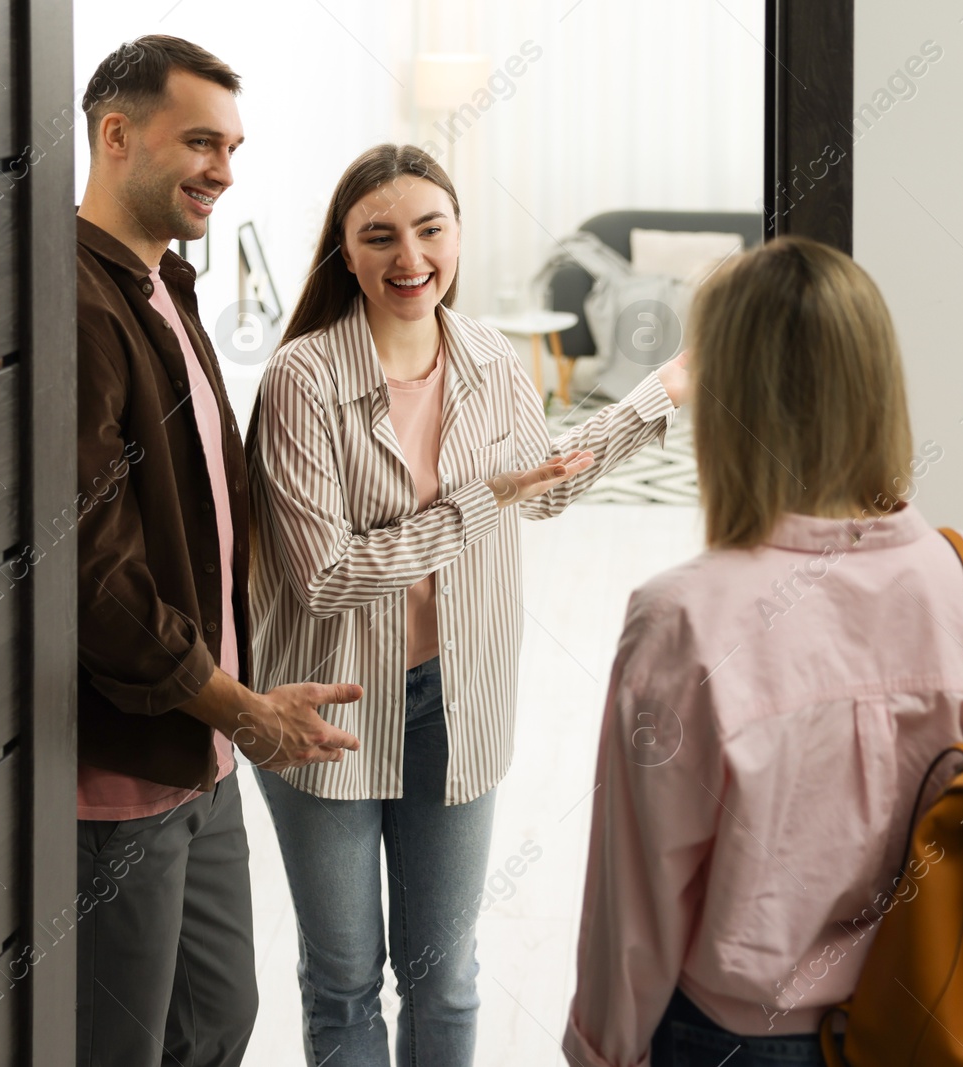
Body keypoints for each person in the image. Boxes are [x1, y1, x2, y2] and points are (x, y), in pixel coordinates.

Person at [245, 143, 691, 1067]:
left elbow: (549, 486)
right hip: (332, 714)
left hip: (459, 699)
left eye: (429, 229)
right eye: (380, 236)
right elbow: (326, 575)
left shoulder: (491, 358)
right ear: (347, 251)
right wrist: (484, 499)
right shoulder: (302, 379)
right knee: (345, 982)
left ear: (458, 235)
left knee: (444, 979)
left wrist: (661, 393)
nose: (409, 257)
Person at [561, 236, 963, 1067]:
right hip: (949, 1020)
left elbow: (635, 906)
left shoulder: (683, 618)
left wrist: (601, 1053)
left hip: (743, 1041)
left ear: (723, 401)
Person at [73, 35, 363, 1067]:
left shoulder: (166, 286)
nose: (223, 171)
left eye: (233, 147)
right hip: (124, 770)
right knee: (124, 1044)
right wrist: (239, 705)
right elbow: (92, 575)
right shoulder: (76, 301)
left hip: (203, 755)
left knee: (218, 1021)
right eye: (200, 141)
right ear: (116, 134)